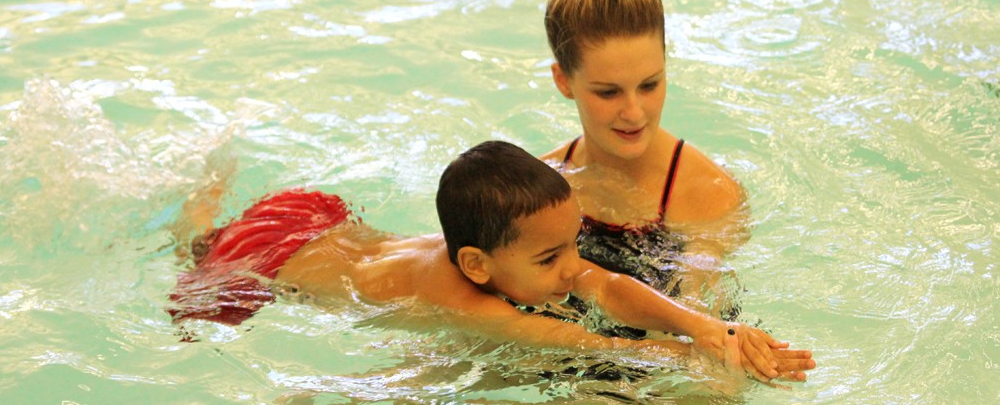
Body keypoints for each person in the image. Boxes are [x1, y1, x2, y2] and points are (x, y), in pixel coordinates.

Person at [167, 140, 815, 383]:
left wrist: (707, 326)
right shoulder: (462, 297)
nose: (572, 267)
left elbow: (608, 286)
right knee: (194, 245)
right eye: (550, 256)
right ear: (477, 264)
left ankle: (208, 182)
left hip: (323, 221)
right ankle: (197, 206)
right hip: (264, 258)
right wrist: (702, 355)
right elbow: (579, 337)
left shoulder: (512, 254)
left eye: (572, 243)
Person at [539, 0, 748, 320]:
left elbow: (705, 325)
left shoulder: (708, 195)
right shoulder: (541, 184)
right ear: (563, 80)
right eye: (608, 92)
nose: (634, 113)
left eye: (649, 85)